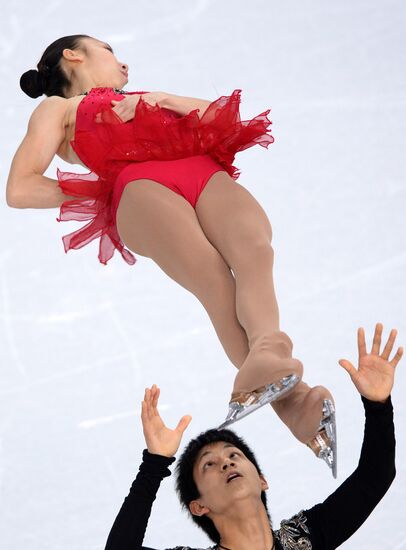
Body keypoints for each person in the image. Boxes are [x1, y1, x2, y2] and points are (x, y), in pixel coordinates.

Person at [7, 34, 335, 470]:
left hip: (201, 173)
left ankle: (286, 393)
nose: (124, 66)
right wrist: (97, 193)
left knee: (256, 249)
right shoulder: (57, 108)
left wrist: (165, 98)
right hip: (141, 189)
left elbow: (225, 121)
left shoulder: (146, 97)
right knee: (214, 277)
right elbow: (20, 187)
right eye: (110, 52)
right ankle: (281, 381)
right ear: (74, 54)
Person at [104, 323, 402, 550]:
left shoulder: (302, 540)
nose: (227, 463)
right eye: (209, 464)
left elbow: (373, 479)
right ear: (199, 506)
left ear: (262, 480)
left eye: (234, 455)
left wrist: (377, 406)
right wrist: (154, 464)